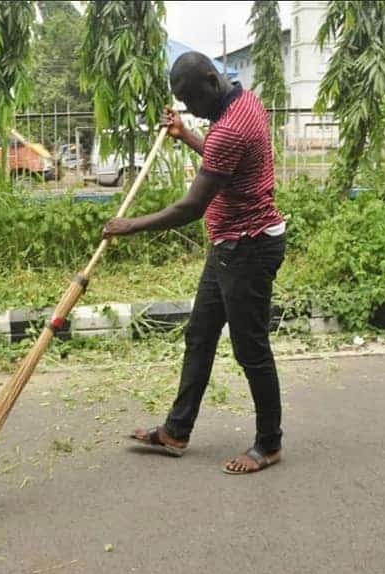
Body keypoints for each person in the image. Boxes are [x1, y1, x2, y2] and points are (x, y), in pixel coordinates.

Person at [102, 51, 286, 475]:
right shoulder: (245, 101)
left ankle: (269, 443)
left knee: (251, 349)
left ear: (209, 79)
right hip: (228, 247)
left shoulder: (230, 129)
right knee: (200, 336)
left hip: (249, 248)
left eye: (189, 98)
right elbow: (224, 166)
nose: (188, 107)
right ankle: (176, 431)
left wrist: (129, 225)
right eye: (181, 101)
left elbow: (192, 207)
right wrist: (186, 134)